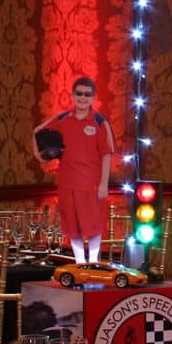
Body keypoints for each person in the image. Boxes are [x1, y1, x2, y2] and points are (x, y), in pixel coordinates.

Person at [33, 77, 114, 264]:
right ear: (72, 95)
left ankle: (93, 262)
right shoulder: (62, 119)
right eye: (79, 93)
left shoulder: (100, 122)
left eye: (87, 94)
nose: (83, 98)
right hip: (66, 183)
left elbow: (107, 155)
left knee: (93, 226)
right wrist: (41, 155)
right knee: (72, 226)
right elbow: (37, 132)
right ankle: (79, 262)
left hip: (91, 185)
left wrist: (103, 184)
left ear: (93, 97)